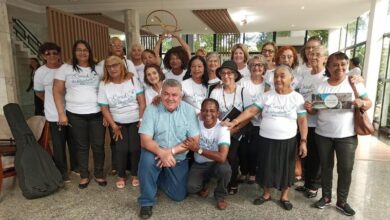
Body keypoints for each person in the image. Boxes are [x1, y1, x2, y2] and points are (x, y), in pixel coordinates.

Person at [224, 65, 308, 211]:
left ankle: (284, 196)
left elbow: (302, 120)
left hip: (287, 140)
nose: (278, 79)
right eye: (276, 76)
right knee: (266, 166)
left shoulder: (297, 97)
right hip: (266, 138)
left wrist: (303, 141)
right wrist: (235, 122)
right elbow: (251, 110)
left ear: (291, 79)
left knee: (286, 168)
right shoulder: (267, 95)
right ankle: (266, 194)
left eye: (282, 76)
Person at [306, 52, 372, 216]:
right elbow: (314, 111)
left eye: (343, 64)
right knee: (326, 167)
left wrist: (362, 102)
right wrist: (310, 107)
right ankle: (326, 197)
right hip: (323, 134)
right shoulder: (321, 85)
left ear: (348, 65)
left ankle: (342, 201)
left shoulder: (354, 83)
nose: (339, 68)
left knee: (346, 168)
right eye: (335, 65)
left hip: (347, 135)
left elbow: (368, 102)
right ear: (328, 67)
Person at [137, 79, 200, 219]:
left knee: (178, 196)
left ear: (180, 95)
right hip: (155, 153)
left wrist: (169, 152)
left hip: (177, 157)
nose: (170, 98)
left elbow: (194, 141)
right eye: (166, 94)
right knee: (146, 161)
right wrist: (161, 152)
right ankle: (146, 201)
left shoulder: (188, 110)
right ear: (161, 94)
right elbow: (145, 140)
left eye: (174, 95)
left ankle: (157, 177)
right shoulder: (152, 108)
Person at [53, 40, 106, 189]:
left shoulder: (99, 69)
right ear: (74, 52)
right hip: (75, 114)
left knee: (98, 146)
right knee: (81, 147)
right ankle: (84, 175)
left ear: (90, 52)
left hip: (97, 114)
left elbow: (109, 86)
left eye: (85, 50)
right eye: (79, 50)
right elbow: (56, 91)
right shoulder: (65, 69)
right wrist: (61, 113)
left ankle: (99, 173)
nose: (82, 52)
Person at [98, 55, 146, 188]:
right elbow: (104, 107)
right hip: (118, 122)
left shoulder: (132, 80)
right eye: (109, 66)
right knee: (121, 149)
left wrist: (142, 120)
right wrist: (113, 125)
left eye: (115, 65)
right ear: (106, 68)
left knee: (136, 148)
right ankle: (121, 175)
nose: (113, 69)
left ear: (122, 66)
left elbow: (142, 102)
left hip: (136, 120)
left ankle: (135, 174)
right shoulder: (104, 84)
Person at [34, 42, 77, 182]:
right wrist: (53, 100)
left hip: (72, 110)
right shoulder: (40, 72)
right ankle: (62, 172)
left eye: (55, 53)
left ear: (59, 54)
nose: (52, 56)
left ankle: (75, 168)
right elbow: (39, 92)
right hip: (54, 114)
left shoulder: (67, 68)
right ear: (42, 56)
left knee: (74, 141)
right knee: (59, 145)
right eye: (48, 53)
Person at [295, 45, 328, 198]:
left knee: (316, 156)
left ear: (325, 58)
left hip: (318, 124)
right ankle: (307, 183)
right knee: (305, 155)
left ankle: (314, 186)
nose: (313, 57)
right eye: (311, 54)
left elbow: (333, 98)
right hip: (304, 122)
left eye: (318, 54)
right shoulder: (306, 74)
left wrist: (314, 106)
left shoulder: (326, 76)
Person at [186, 98, 231, 210]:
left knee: (225, 170)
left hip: (216, 163)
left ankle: (220, 196)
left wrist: (199, 149)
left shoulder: (223, 128)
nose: (208, 114)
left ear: (218, 113)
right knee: (191, 188)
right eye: (205, 110)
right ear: (201, 112)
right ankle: (203, 185)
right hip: (199, 163)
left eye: (212, 111)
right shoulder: (195, 123)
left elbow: (222, 157)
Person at [210, 61, 244, 195]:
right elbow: (211, 112)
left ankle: (232, 182)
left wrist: (234, 129)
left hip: (238, 129)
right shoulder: (216, 92)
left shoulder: (242, 91)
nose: (226, 76)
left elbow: (248, 115)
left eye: (229, 73)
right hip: (219, 129)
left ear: (235, 75)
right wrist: (222, 131)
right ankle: (220, 178)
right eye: (223, 73)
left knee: (232, 155)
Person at [237, 55, 267, 184]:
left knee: (255, 149)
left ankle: (253, 172)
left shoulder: (267, 83)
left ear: (264, 68)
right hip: (245, 120)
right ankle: (244, 172)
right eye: (254, 65)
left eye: (260, 65)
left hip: (260, 122)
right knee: (243, 149)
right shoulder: (243, 82)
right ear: (249, 67)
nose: (257, 67)